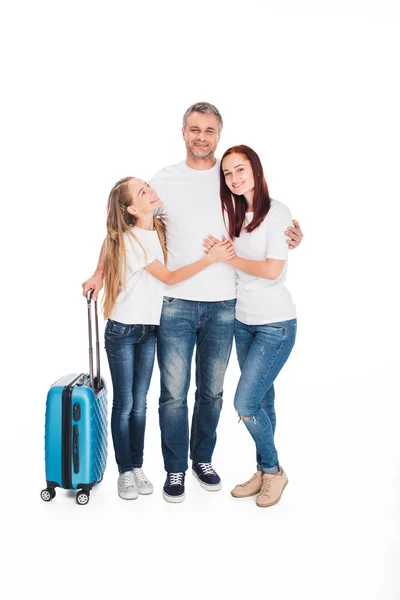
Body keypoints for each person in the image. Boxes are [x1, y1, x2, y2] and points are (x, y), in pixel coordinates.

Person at [83, 102, 303, 503]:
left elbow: (265, 219)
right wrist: (100, 272)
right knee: (172, 393)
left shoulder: (230, 179)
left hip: (226, 306)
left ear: (219, 135)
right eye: (194, 129)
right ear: (183, 132)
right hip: (176, 304)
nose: (202, 137)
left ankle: (202, 459)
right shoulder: (164, 180)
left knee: (213, 393)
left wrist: (293, 234)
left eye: (210, 131)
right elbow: (124, 227)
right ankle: (174, 469)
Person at [102, 175, 234, 500]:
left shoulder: (155, 228)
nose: (152, 191)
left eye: (148, 186)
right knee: (126, 404)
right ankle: (124, 471)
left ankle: (137, 466)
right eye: (143, 191)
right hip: (123, 330)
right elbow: (171, 277)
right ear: (132, 208)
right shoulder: (133, 239)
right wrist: (211, 258)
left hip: (149, 330)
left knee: (140, 406)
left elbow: (109, 239)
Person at [203, 144, 297, 508]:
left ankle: (273, 471)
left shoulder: (278, 212)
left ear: (256, 171)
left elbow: (273, 269)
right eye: (227, 173)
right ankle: (264, 470)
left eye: (240, 170)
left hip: (276, 325)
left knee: (245, 403)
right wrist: (222, 255)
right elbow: (238, 263)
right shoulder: (239, 217)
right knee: (263, 400)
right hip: (244, 323)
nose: (234, 178)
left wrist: (233, 258)